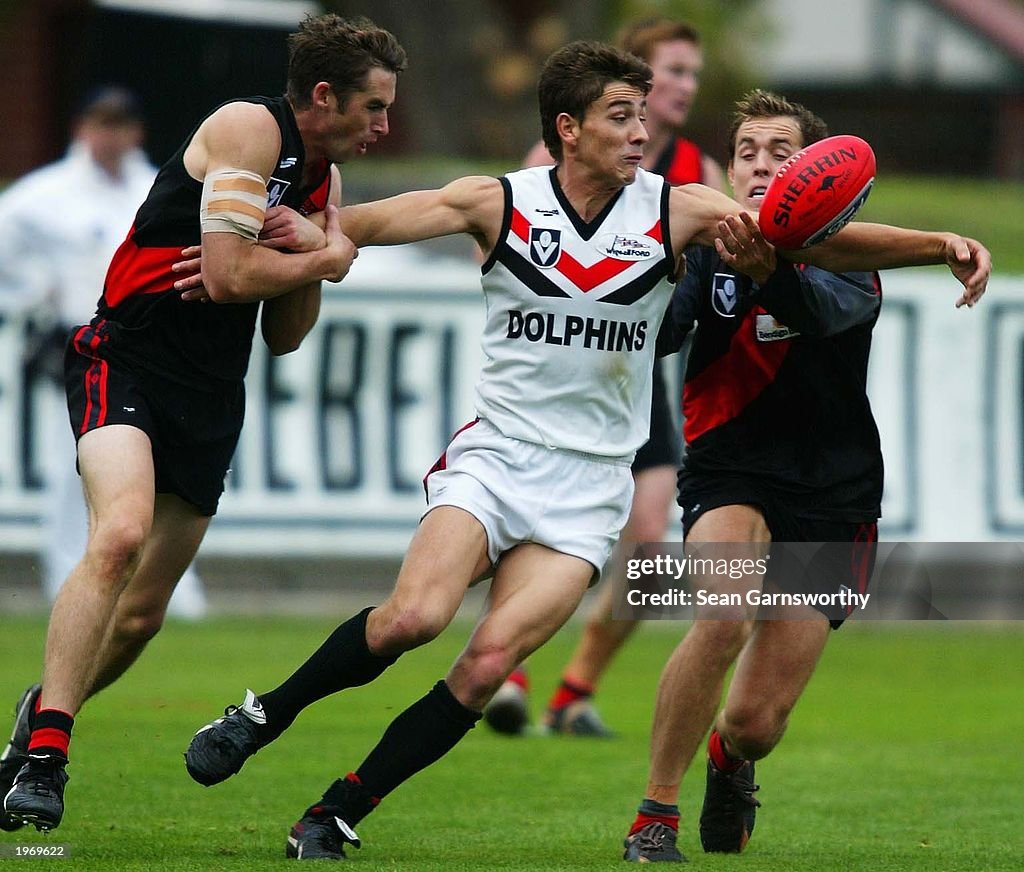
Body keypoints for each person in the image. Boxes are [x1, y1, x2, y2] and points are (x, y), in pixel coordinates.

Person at [180, 42, 989, 863]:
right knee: (414, 618)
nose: (644, 132)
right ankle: (263, 716)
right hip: (505, 458)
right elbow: (360, 224)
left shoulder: (683, 213)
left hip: (622, 488)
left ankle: (338, 810)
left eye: (643, 115)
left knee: (506, 667)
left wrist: (939, 244)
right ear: (567, 129)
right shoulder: (499, 201)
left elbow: (821, 251)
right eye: (621, 116)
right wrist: (292, 235)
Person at [0, 13, 406, 834]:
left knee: (145, 612)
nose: (384, 127)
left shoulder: (323, 185)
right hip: (129, 354)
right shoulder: (246, 128)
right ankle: (47, 760)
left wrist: (304, 253)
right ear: (323, 96)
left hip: (214, 393)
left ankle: (37, 714)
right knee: (118, 534)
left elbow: (287, 337)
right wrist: (325, 256)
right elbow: (223, 278)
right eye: (373, 107)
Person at [620, 89, 985, 863]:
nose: (760, 164)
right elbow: (659, 338)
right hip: (729, 470)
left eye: (779, 150)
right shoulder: (706, 249)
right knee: (719, 619)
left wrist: (775, 274)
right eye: (747, 150)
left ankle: (729, 763)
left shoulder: (854, 257)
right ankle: (654, 815)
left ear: (816, 173)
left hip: (832, 492)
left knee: (756, 723)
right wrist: (644, 288)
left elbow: (822, 313)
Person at [485, 17, 725, 738]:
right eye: (671, 71)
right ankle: (511, 674)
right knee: (535, 526)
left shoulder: (702, 176)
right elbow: (511, 245)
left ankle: (574, 690)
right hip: (564, 375)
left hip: (640, 377)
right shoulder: (555, 160)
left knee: (650, 545)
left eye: (691, 73)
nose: (682, 86)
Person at [0, 85, 209, 621]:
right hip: (82, 348)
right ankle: (65, 574)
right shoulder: (41, 196)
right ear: (81, 128)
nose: (109, 136)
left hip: (158, 345)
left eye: (120, 125)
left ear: (135, 131)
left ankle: (163, 588)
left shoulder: (155, 185)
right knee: (74, 468)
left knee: (162, 467)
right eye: (100, 123)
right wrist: (32, 292)